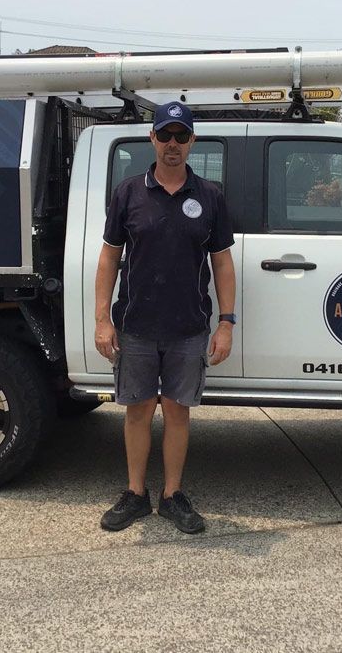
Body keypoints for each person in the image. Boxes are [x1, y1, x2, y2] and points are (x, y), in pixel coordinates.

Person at [94, 101, 236, 534]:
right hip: (136, 324)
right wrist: (103, 318)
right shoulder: (129, 192)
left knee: (177, 412)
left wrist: (226, 323)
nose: (172, 144)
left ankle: (172, 495)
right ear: (152, 139)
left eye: (181, 135)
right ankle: (135, 494)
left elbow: (223, 264)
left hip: (189, 327)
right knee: (136, 410)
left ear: (192, 141)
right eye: (165, 135)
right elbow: (109, 258)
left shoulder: (209, 196)